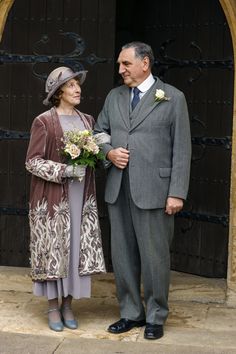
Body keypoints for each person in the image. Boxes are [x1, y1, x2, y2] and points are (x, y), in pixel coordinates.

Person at [94, 42, 191, 340]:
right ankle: (130, 313)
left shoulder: (173, 97)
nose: (120, 69)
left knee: (155, 258)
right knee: (122, 256)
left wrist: (177, 192)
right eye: (120, 65)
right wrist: (108, 152)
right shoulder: (114, 96)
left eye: (125, 64)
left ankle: (155, 316)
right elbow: (99, 131)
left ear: (144, 63)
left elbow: (182, 149)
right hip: (118, 189)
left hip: (157, 191)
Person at [25, 66, 106, 332]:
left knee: (75, 250)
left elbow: (94, 154)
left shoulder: (88, 121)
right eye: (71, 86)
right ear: (59, 92)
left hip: (81, 196)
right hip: (52, 199)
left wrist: (102, 146)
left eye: (77, 85)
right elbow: (32, 162)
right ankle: (52, 307)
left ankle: (69, 304)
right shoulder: (43, 121)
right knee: (53, 249)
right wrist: (64, 170)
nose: (78, 89)